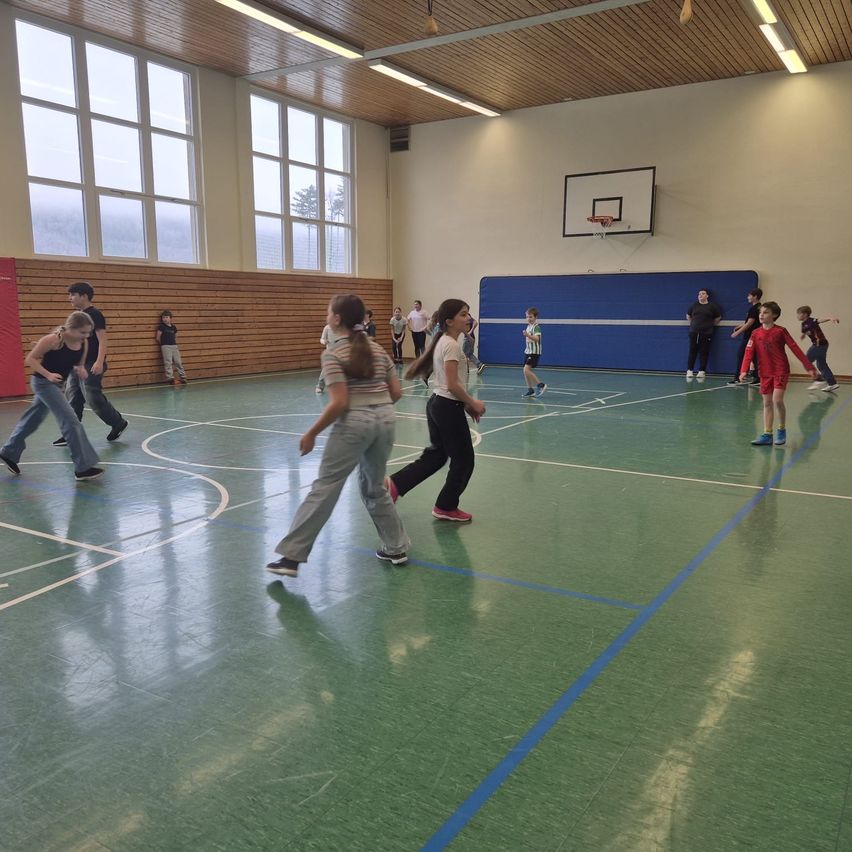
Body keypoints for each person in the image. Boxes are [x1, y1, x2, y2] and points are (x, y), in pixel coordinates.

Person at [267, 295, 409, 577]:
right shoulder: (379, 350)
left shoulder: (332, 353)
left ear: (336, 319)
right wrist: (375, 409)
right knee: (374, 487)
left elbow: (339, 402)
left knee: (326, 486)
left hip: (354, 424)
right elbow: (396, 393)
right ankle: (396, 547)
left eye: (327, 312)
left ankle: (291, 558)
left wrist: (311, 433)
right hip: (386, 420)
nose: (326, 316)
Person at [385, 299, 486, 523]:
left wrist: (466, 405)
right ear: (449, 321)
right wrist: (473, 402)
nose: (468, 318)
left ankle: (395, 484)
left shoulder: (444, 341)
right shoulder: (450, 345)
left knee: (438, 455)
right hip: (447, 407)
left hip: (439, 404)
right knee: (464, 460)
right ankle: (446, 506)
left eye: (468, 313)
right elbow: (452, 384)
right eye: (462, 314)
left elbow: (447, 383)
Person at [1, 311, 103, 481]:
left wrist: (81, 369)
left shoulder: (83, 342)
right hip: (43, 383)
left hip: (57, 385)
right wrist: (48, 374)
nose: (86, 336)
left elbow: (78, 364)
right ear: (70, 328)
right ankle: (82, 467)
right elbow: (31, 359)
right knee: (71, 421)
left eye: (88, 333)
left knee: (32, 420)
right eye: (82, 332)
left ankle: (8, 452)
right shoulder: (53, 340)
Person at [53, 282, 127, 446]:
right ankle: (70, 434)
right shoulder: (77, 316)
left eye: (73, 295)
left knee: (93, 397)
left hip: (92, 363)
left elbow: (102, 340)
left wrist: (100, 361)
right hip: (76, 364)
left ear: (84, 296)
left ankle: (118, 423)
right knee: (72, 398)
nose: (69, 298)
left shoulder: (95, 314)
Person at [740, 301, 817, 446]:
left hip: (780, 370)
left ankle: (781, 430)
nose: (761, 315)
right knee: (767, 403)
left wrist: (809, 367)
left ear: (774, 315)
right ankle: (767, 434)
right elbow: (749, 351)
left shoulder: (781, 331)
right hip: (765, 371)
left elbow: (795, 348)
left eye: (766, 312)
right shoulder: (755, 333)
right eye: (760, 312)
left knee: (777, 400)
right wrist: (743, 370)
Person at [798, 306, 840, 392]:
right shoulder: (803, 324)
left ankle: (818, 379)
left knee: (806, 360)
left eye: (799, 314)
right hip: (821, 344)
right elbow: (805, 331)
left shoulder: (811, 321)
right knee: (821, 365)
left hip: (819, 344)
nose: (797, 316)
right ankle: (832, 383)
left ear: (805, 314)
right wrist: (803, 335)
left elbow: (819, 320)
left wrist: (830, 318)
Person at [727, 288, 762, 385]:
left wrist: (737, 332)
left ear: (755, 296)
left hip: (750, 337)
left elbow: (750, 323)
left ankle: (738, 377)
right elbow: (751, 322)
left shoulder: (754, 308)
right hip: (755, 336)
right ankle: (757, 378)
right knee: (754, 357)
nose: (748, 297)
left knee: (741, 355)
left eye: (749, 295)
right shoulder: (759, 308)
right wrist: (740, 326)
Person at [686, 288, 722, 379]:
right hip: (694, 332)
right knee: (692, 351)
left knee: (704, 352)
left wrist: (710, 325)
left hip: (706, 333)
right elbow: (688, 316)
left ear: (707, 296)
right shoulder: (694, 305)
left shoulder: (712, 306)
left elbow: (718, 317)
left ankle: (701, 371)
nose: (700, 295)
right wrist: (694, 324)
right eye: (699, 294)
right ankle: (690, 370)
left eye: (702, 294)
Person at [156, 310, 187, 385]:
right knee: (168, 362)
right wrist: (164, 344)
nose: (165, 319)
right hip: (166, 346)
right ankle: (170, 378)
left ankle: (183, 377)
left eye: (166, 317)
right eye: (163, 317)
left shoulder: (173, 327)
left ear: (170, 318)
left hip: (174, 346)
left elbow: (175, 336)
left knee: (178, 362)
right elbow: (158, 337)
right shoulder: (161, 326)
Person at [522, 307, 547, 398]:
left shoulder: (536, 327)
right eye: (527, 317)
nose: (529, 318)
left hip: (534, 352)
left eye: (531, 317)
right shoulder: (528, 326)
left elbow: (537, 339)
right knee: (525, 371)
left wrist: (528, 335)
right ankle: (530, 390)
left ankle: (541, 385)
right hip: (528, 351)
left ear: (535, 317)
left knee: (526, 369)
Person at [315, 321, 345, 393]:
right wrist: (324, 341)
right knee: (326, 369)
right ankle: (320, 386)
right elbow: (322, 339)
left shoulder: (342, 328)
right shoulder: (327, 328)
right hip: (330, 352)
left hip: (341, 352)